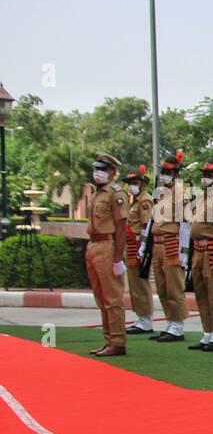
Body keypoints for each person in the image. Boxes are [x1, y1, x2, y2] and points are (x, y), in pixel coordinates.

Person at [84, 152, 129, 357]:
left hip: (107, 246)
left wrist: (118, 258)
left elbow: (121, 228)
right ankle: (108, 339)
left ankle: (118, 341)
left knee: (112, 297)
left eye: (102, 169)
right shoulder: (98, 192)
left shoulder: (116, 193)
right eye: (96, 169)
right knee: (100, 296)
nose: (98, 173)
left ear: (112, 172)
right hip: (93, 245)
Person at [187, 153, 213, 352]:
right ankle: (207, 333)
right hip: (198, 250)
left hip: (212, 249)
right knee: (201, 293)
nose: (205, 177)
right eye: (204, 174)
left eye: (209, 174)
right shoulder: (203, 197)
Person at [147, 149, 189, 343]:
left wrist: (184, 252)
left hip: (172, 243)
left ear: (176, 174)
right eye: (162, 171)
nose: (164, 175)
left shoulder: (181, 193)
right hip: (157, 244)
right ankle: (170, 322)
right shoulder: (161, 193)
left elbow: (184, 225)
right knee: (162, 287)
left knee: (174, 287)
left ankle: (178, 325)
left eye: (168, 172)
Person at [121, 165, 156, 336]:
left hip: (138, 245)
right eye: (130, 183)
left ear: (142, 184)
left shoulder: (144, 201)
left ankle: (146, 319)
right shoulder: (133, 200)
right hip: (131, 244)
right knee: (134, 283)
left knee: (140, 283)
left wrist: (143, 248)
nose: (131, 186)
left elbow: (146, 226)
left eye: (135, 182)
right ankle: (141, 317)